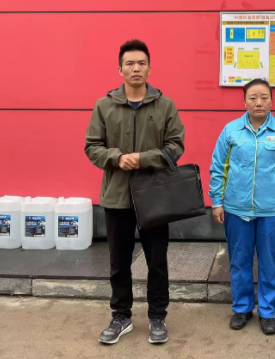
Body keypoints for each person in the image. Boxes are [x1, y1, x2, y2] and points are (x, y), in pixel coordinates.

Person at [85, 39, 185, 345]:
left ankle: (157, 316)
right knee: (118, 261)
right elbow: (92, 146)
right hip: (117, 197)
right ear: (120, 69)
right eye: (129, 63)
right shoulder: (104, 106)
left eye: (141, 63)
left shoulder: (165, 105)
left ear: (149, 68)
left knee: (157, 261)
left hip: (154, 196)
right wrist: (116, 158)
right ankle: (121, 316)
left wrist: (143, 159)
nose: (136, 68)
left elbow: (175, 146)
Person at [209, 79, 275, 335]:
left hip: (272, 211)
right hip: (236, 209)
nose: (258, 102)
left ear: (271, 101)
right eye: (252, 98)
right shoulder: (231, 131)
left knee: (270, 263)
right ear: (244, 101)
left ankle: (267, 312)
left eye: (264, 97)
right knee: (239, 261)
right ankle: (241, 308)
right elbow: (218, 168)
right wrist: (217, 201)